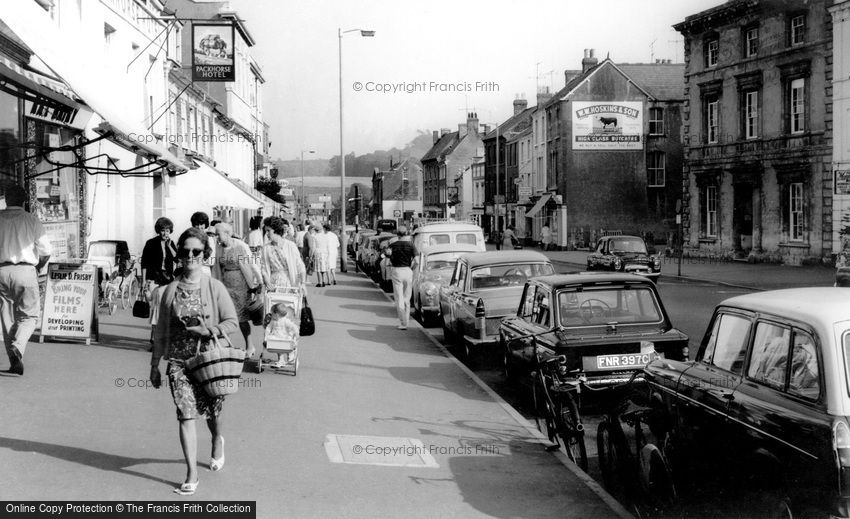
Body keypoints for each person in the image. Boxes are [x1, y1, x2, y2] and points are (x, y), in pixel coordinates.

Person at [149, 227, 239, 496]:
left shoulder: (214, 287)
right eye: (186, 250)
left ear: (205, 254)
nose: (190, 255)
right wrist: (154, 364)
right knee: (186, 414)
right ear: (180, 253)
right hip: (178, 362)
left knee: (212, 412)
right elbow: (161, 331)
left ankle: (216, 438)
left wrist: (209, 331)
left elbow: (232, 322)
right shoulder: (168, 291)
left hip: (208, 361)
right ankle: (191, 472)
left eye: (196, 251)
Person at [0, 185, 51, 375]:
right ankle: (18, 347)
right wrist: (37, 267)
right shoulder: (32, 220)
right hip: (26, 270)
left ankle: (14, 360)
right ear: (24, 200)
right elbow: (46, 251)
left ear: (6, 198)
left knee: (6, 317)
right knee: (29, 315)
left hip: (1, 271)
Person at [211, 222, 262, 359]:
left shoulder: (239, 246)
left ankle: (249, 345)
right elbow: (217, 267)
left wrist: (257, 283)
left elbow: (251, 265)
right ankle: (224, 346)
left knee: (241, 319)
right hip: (225, 286)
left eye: (218, 234)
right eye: (215, 235)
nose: (216, 237)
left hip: (240, 287)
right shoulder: (219, 247)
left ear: (227, 233)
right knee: (224, 317)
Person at [141, 217, 178, 345]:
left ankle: (156, 336)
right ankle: (154, 335)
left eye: (167, 230)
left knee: (164, 309)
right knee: (154, 307)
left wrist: (170, 247)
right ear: (159, 230)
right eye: (163, 230)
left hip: (167, 280)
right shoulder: (150, 243)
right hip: (153, 279)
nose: (165, 233)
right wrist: (143, 282)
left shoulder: (171, 243)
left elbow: (177, 260)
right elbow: (144, 263)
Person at [260, 216, 306, 291]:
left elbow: (300, 265)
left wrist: (303, 283)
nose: (267, 234)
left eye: (269, 231)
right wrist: (267, 282)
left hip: (290, 283)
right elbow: (263, 268)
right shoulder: (266, 248)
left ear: (276, 229)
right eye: (266, 231)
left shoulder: (290, 245)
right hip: (273, 285)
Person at [384, 227, 414, 330]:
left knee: (399, 298)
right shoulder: (411, 245)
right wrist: (411, 268)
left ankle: (403, 323)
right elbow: (418, 260)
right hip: (408, 270)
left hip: (397, 271)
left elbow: (387, 258)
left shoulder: (392, 245)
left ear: (397, 234)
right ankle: (407, 321)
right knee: (407, 298)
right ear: (406, 234)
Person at [190, 212, 214, 276]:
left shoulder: (209, 239)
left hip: (205, 271)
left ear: (205, 224)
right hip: (191, 272)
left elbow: (212, 260)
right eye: (196, 224)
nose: (199, 227)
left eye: (201, 224)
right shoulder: (189, 238)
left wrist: (194, 260)